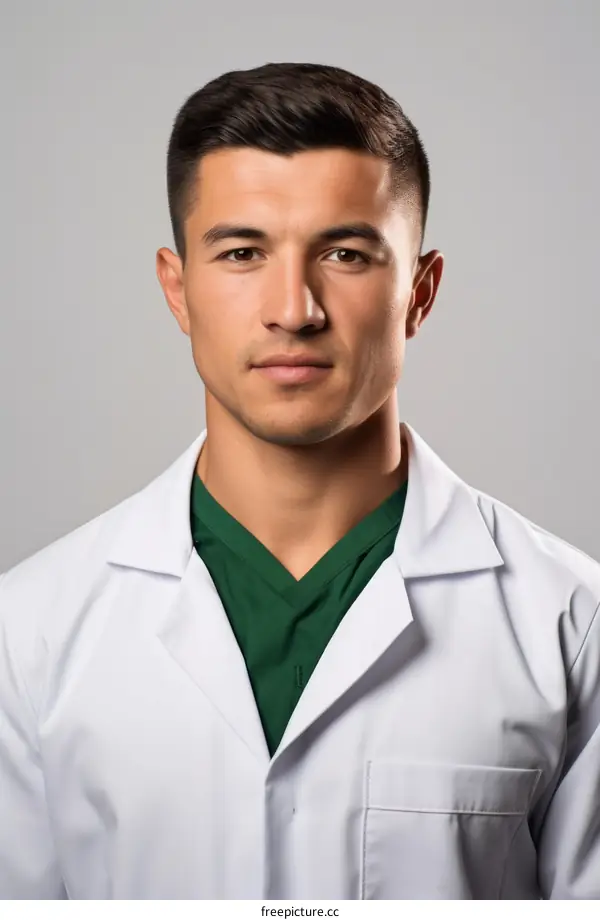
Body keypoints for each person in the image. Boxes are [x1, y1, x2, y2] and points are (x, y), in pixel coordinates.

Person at [0, 61, 599, 902]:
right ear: (178, 290)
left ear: (419, 293)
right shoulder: (30, 633)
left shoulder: (572, 626)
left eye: (346, 253)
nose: (295, 307)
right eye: (242, 251)